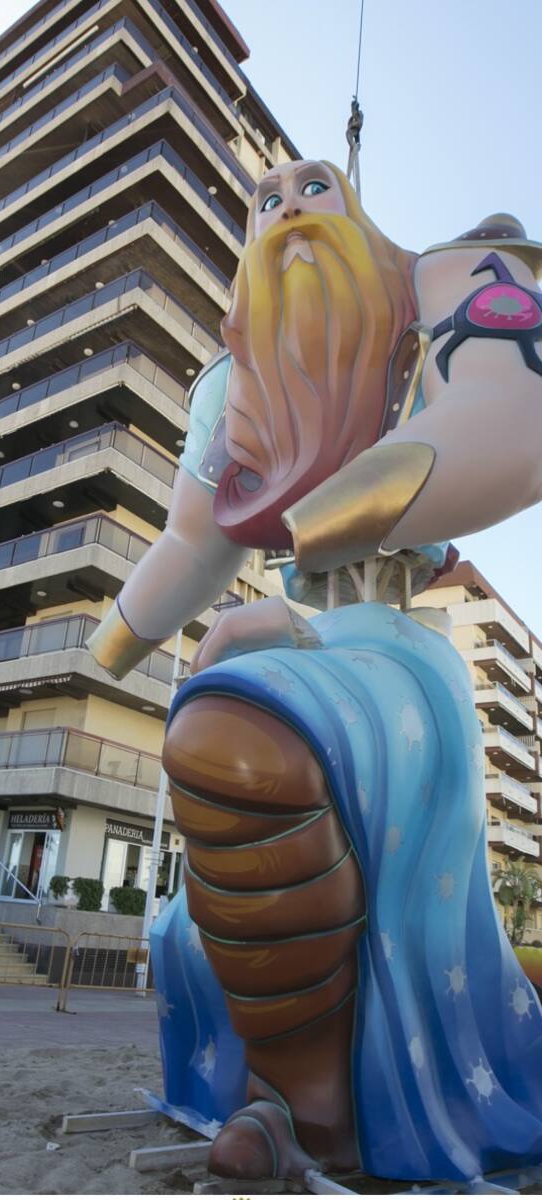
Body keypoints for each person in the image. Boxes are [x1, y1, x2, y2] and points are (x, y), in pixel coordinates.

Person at [86, 159, 542, 1183]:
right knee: (225, 696)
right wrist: (104, 649)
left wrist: (315, 516)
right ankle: (291, 1091)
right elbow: (193, 542)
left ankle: (309, 1110)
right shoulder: (232, 385)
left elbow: (510, 433)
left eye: (316, 190)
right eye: (266, 200)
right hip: (295, 629)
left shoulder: (448, 292)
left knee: (241, 746)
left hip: (394, 647)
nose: (289, 207)